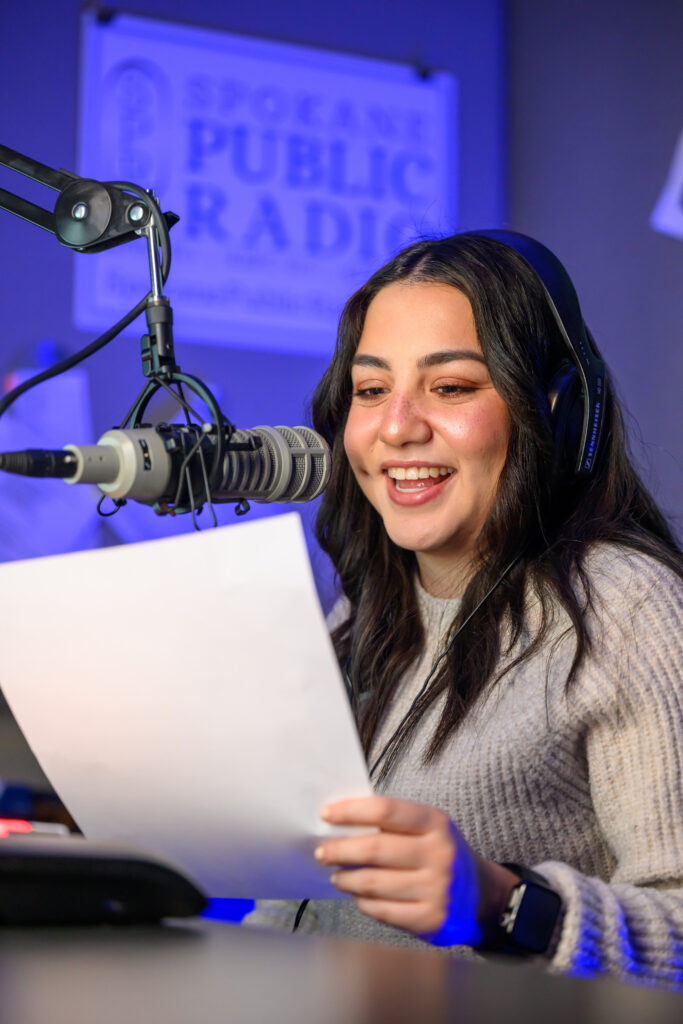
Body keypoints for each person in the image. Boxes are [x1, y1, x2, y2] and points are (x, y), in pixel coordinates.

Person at [243, 231, 683, 989]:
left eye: (449, 388)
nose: (396, 427)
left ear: (553, 408)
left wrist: (503, 904)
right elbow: (297, 908)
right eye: (371, 390)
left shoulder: (624, 608)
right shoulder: (363, 614)